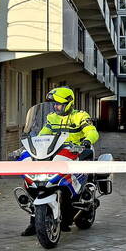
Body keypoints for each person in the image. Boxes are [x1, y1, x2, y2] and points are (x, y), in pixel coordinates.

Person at [22, 86, 100, 236]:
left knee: (75, 182)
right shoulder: (52, 117)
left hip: (75, 153)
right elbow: (43, 134)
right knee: (33, 181)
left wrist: (86, 142)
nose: (56, 106)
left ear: (69, 103)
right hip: (55, 155)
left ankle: (79, 203)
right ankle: (34, 221)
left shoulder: (81, 116)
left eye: (59, 104)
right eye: (54, 104)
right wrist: (31, 144)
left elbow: (92, 131)